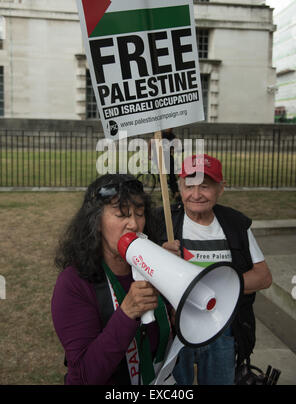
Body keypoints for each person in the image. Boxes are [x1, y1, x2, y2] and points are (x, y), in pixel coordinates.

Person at [155, 154, 272, 385]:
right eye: (189, 186)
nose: (196, 195)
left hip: (222, 329)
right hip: (175, 329)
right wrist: (160, 258)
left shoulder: (235, 224)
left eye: (205, 187)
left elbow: (263, 277)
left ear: (221, 188)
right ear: (180, 186)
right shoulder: (162, 222)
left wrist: (212, 292)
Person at [51, 173, 173, 385]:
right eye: (121, 214)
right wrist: (126, 313)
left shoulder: (154, 267)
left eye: (140, 213)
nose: (134, 224)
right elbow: (84, 376)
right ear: (96, 221)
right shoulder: (73, 284)